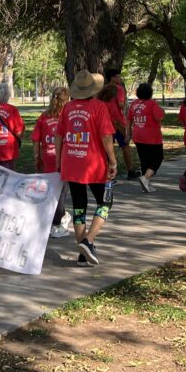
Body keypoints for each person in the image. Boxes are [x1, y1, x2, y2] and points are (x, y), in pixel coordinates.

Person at [58, 70, 117, 267]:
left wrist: (59, 161)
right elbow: (107, 136)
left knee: (79, 206)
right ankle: (88, 240)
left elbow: (59, 136)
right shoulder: (99, 107)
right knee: (105, 203)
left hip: (72, 162)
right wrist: (113, 161)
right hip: (94, 164)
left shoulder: (67, 108)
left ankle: (83, 256)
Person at [32, 87, 72, 237]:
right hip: (64, 157)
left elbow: (36, 139)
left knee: (50, 189)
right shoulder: (67, 116)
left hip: (47, 156)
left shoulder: (44, 116)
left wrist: (37, 157)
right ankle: (57, 221)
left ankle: (48, 218)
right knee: (61, 191)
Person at [126, 82, 166, 193]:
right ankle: (145, 178)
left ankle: (146, 185)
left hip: (138, 135)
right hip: (152, 137)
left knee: (144, 160)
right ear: (150, 93)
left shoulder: (133, 104)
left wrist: (128, 134)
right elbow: (159, 117)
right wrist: (162, 110)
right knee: (158, 158)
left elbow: (128, 120)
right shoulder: (152, 104)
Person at [104, 68, 139, 180]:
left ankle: (109, 173)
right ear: (113, 78)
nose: (120, 78)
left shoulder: (103, 89)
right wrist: (124, 105)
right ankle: (130, 170)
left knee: (108, 148)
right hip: (118, 121)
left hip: (105, 121)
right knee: (125, 145)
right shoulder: (119, 89)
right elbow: (120, 104)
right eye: (118, 76)